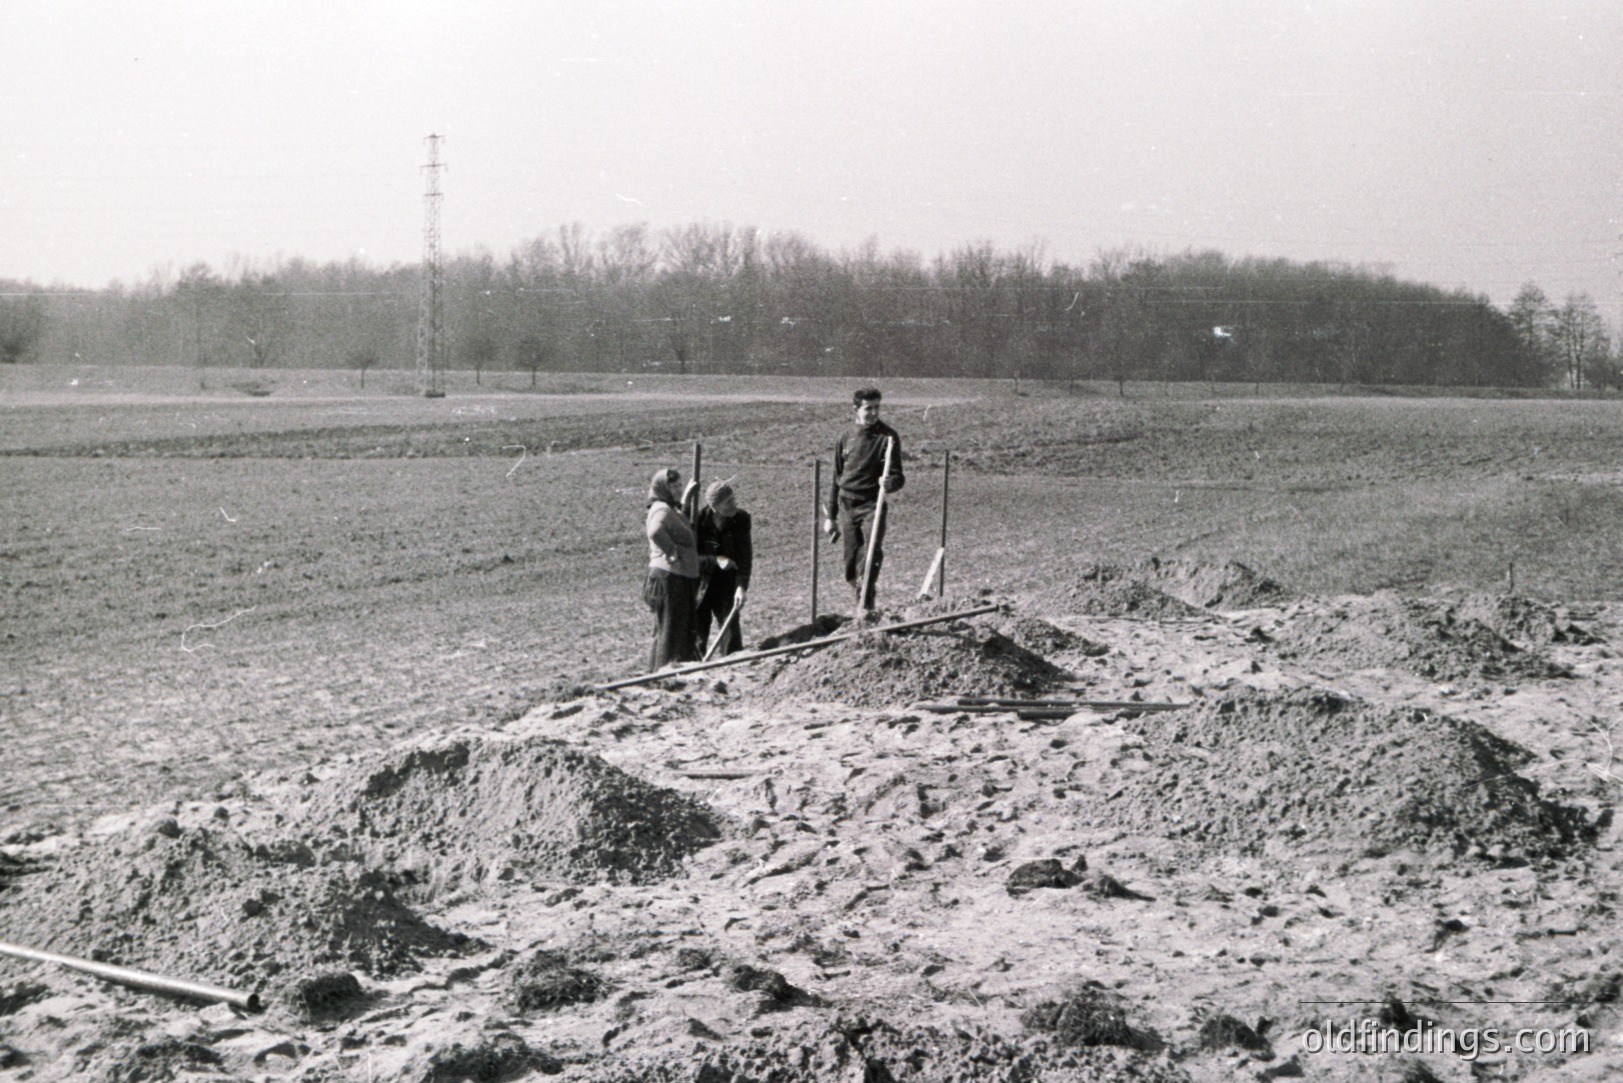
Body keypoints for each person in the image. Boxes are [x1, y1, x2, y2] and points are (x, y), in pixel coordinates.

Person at [823, 387, 904, 612]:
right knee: (851, 559)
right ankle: (859, 595)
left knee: (871, 553)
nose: (874, 413)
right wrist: (830, 517)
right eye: (868, 408)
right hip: (847, 505)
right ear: (856, 409)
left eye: (877, 407)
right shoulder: (846, 437)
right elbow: (836, 479)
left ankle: (865, 606)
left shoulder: (888, 437)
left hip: (872, 505)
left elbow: (899, 476)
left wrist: (891, 482)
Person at [643, 467, 700, 670]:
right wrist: (671, 550)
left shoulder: (667, 508)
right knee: (671, 630)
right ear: (662, 487)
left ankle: (655, 673)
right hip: (671, 578)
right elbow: (656, 530)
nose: (676, 489)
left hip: (673, 577)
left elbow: (676, 523)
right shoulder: (662, 509)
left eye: (678, 485)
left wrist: (686, 498)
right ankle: (666, 675)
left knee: (666, 630)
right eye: (672, 486)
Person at [693, 479, 753, 658]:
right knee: (698, 637)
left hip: (726, 583)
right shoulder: (697, 522)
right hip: (701, 583)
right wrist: (715, 560)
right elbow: (689, 558)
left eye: (734, 499)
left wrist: (741, 586)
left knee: (731, 633)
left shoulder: (741, 519)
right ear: (715, 506)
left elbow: (745, 555)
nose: (735, 504)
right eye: (729, 502)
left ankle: (731, 666)